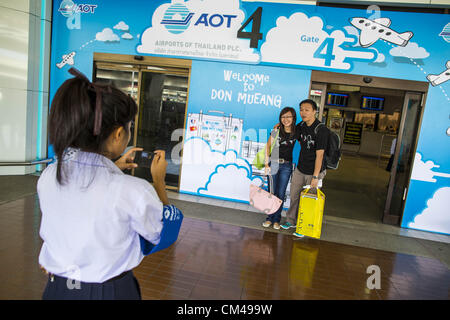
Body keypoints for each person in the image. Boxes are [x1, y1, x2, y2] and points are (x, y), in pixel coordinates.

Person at [38, 68, 169, 300]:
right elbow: (162, 233)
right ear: (118, 134)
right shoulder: (133, 191)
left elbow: (83, 197)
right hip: (108, 292)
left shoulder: (49, 175)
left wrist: (113, 166)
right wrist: (159, 181)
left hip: (57, 289)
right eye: (129, 128)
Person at [280, 99, 328, 238]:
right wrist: (278, 126)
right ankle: (291, 221)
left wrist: (315, 176)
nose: (303, 112)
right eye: (301, 109)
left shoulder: (321, 130)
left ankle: (304, 226)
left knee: (309, 199)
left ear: (314, 111)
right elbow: (290, 132)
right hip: (301, 168)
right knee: (294, 196)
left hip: (315, 171)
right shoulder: (301, 126)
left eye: (307, 109)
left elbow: (320, 155)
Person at [262, 107, 297, 230]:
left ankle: (276, 219)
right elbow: (268, 146)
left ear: (293, 118)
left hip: (287, 166)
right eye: (283, 117)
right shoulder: (276, 130)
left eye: (288, 117)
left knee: (280, 194)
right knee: (271, 193)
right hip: (274, 163)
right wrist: (266, 164)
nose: (285, 119)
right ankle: (269, 218)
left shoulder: (296, 131)